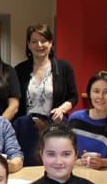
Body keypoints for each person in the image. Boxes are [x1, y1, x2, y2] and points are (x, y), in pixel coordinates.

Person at [13, 23, 78, 165]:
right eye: (34, 41)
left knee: (54, 163)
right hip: (27, 128)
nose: (39, 45)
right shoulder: (20, 69)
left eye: (43, 41)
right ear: (28, 45)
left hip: (54, 125)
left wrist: (62, 109)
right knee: (29, 165)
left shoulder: (64, 67)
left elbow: (73, 97)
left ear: (51, 42)